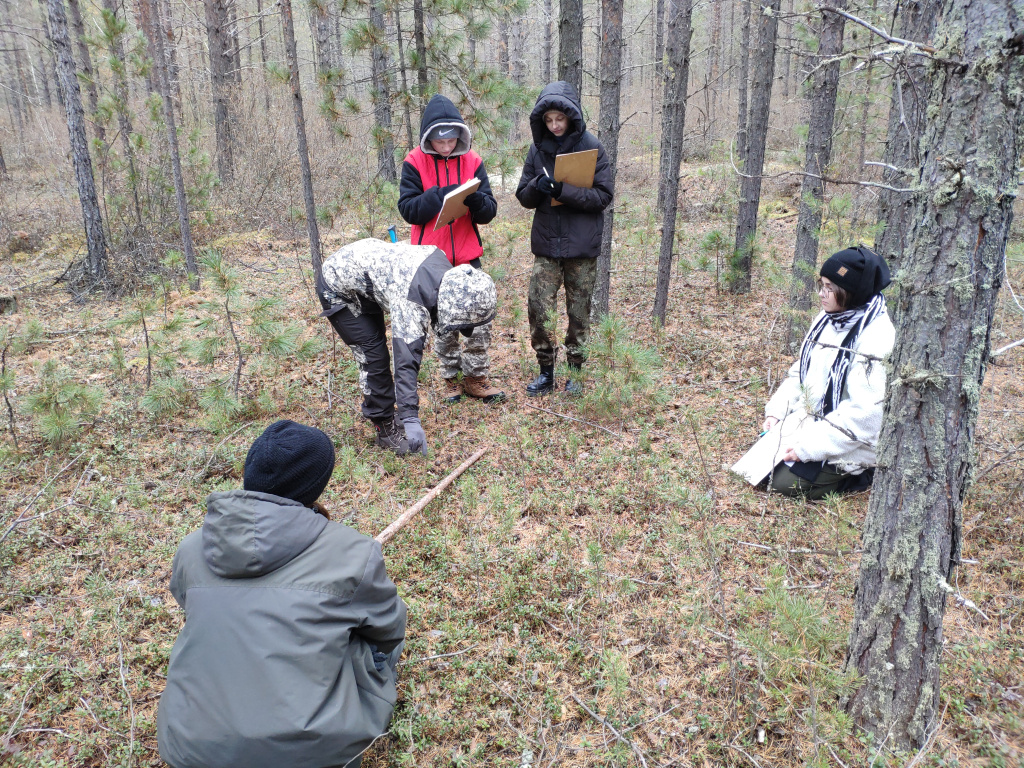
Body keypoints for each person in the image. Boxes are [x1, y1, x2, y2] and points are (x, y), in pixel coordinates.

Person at [157, 420, 407, 768]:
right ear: (316, 484)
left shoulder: (190, 549)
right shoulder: (354, 552)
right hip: (307, 750)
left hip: (190, 747)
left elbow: (188, 603)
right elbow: (388, 630)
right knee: (377, 633)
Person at [736, 246, 895, 498]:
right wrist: (777, 412)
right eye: (821, 284)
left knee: (783, 484)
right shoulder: (826, 319)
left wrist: (808, 448)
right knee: (755, 470)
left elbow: (865, 416)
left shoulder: (877, 338)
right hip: (812, 420)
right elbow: (800, 372)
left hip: (851, 439)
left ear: (852, 293)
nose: (821, 294)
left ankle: (863, 476)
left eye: (830, 288)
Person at [316, 238, 497, 455]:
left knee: (377, 345)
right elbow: (406, 359)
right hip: (338, 286)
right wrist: (410, 417)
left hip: (368, 279)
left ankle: (393, 415)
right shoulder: (413, 295)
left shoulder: (448, 277)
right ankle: (383, 426)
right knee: (373, 356)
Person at [398, 93, 504, 405]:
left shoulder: (472, 161)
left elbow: (488, 212)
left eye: (451, 140)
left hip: (468, 255)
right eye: (439, 141)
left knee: (478, 319)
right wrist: (438, 196)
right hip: (431, 257)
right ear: (429, 137)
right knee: (442, 322)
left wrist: (476, 200)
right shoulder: (414, 161)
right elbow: (408, 209)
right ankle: (450, 379)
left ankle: (476, 378)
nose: (446, 146)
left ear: (459, 135)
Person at [515, 81, 614, 396]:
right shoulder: (537, 149)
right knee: (538, 308)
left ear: (571, 116)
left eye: (560, 119)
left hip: (582, 247)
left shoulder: (593, 147)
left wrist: (563, 191)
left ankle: (576, 373)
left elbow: (603, 196)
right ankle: (546, 371)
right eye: (549, 120)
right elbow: (523, 196)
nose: (555, 125)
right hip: (547, 245)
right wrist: (537, 188)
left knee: (578, 312)